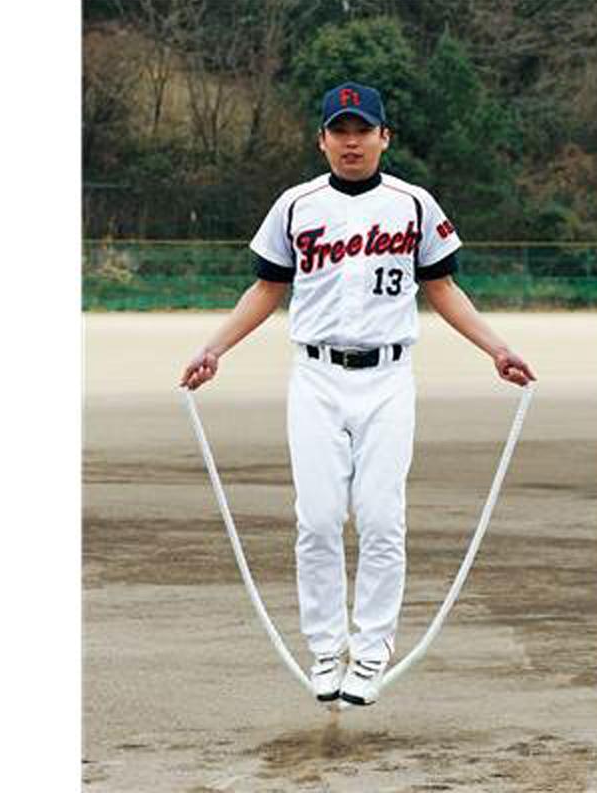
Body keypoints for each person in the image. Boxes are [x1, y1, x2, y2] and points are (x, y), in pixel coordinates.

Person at [180, 82, 536, 706]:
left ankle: (369, 653)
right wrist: (214, 349)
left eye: (363, 130)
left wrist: (497, 348)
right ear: (322, 139)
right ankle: (326, 650)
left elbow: (442, 288)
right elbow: (266, 289)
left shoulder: (413, 204)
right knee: (317, 519)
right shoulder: (295, 205)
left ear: (383, 137)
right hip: (316, 376)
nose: (352, 142)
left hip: (388, 378)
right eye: (340, 131)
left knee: (380, 519)